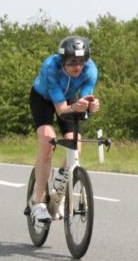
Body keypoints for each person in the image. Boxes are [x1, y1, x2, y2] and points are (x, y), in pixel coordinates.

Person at [27, 35, 100, 226]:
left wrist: (90, 106)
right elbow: (61, 110)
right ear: (62, 60)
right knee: (47, 141)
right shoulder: (51, 67)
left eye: (81, 61)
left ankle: (61, 182)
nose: (77, 67)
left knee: (76, 144)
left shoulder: (91, 70)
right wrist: (76, 107)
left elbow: (85, 98)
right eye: (71, 62)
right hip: (43, 99)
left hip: (67, 98)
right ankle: (38, 201)